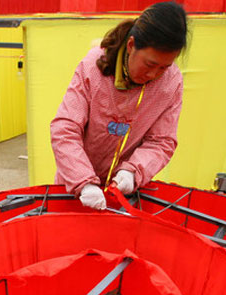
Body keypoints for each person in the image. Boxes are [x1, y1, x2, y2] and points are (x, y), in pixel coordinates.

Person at [51, 2, 187, 210]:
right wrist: (83, 181)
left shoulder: (171, 83)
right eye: (150, 64)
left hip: (125, 193)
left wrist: (133, 172)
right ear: (131, 45)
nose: (153, 74)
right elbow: (65, 129)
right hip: (76, 188)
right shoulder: (92, 68)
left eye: (164, 67)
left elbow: (162, 141)